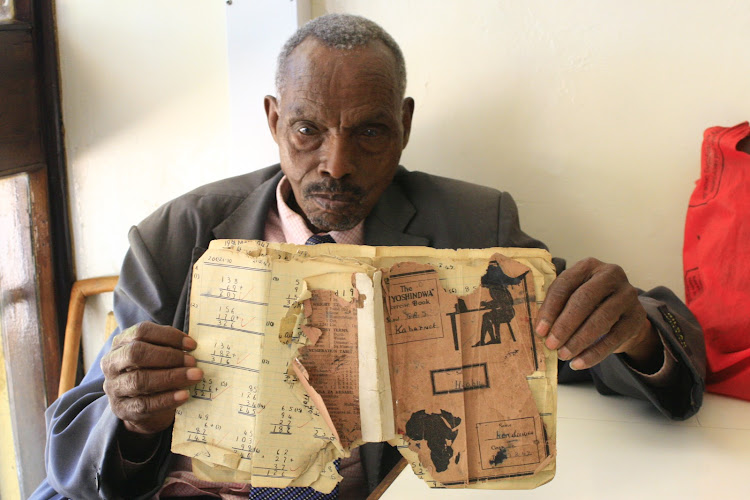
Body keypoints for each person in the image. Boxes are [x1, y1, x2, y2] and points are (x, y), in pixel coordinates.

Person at [32, 13, 705, 500]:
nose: (337, 164)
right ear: (273, 120)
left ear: (405, 125)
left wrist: (635, 332)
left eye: (371, 132)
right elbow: (79, 440)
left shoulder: (470, 224)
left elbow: (591, 341)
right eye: (306, 130)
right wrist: (130, 416)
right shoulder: (175, 237)